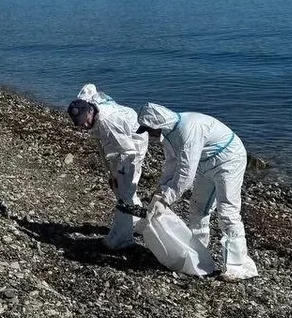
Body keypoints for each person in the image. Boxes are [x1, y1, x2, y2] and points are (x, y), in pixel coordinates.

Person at [137, 102, 258, 281]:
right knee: (198, 208)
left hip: (229, 160)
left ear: (158, 124)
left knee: (227, 211)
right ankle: (198, 255)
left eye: (149, 129)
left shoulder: (188, 130)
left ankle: (238, 266)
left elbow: (185, 174)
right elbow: (172, 165)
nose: (149, 134)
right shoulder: (169, 134)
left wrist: (166, 199)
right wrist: (160, 191)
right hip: (205, 163)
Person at [67, 84, 148, 250]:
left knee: (124, 191)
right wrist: (112, 174)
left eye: (84, 122)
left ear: (90, 112)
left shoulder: (108, 123)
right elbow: (90, 87)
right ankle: (138, 222)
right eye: (80, 124)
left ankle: (123, 239)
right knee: (119, 187)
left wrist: (118, 175)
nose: (83, 126)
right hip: (117, 143)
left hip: (134, 143)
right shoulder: (88, 104)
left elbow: (128, 152)